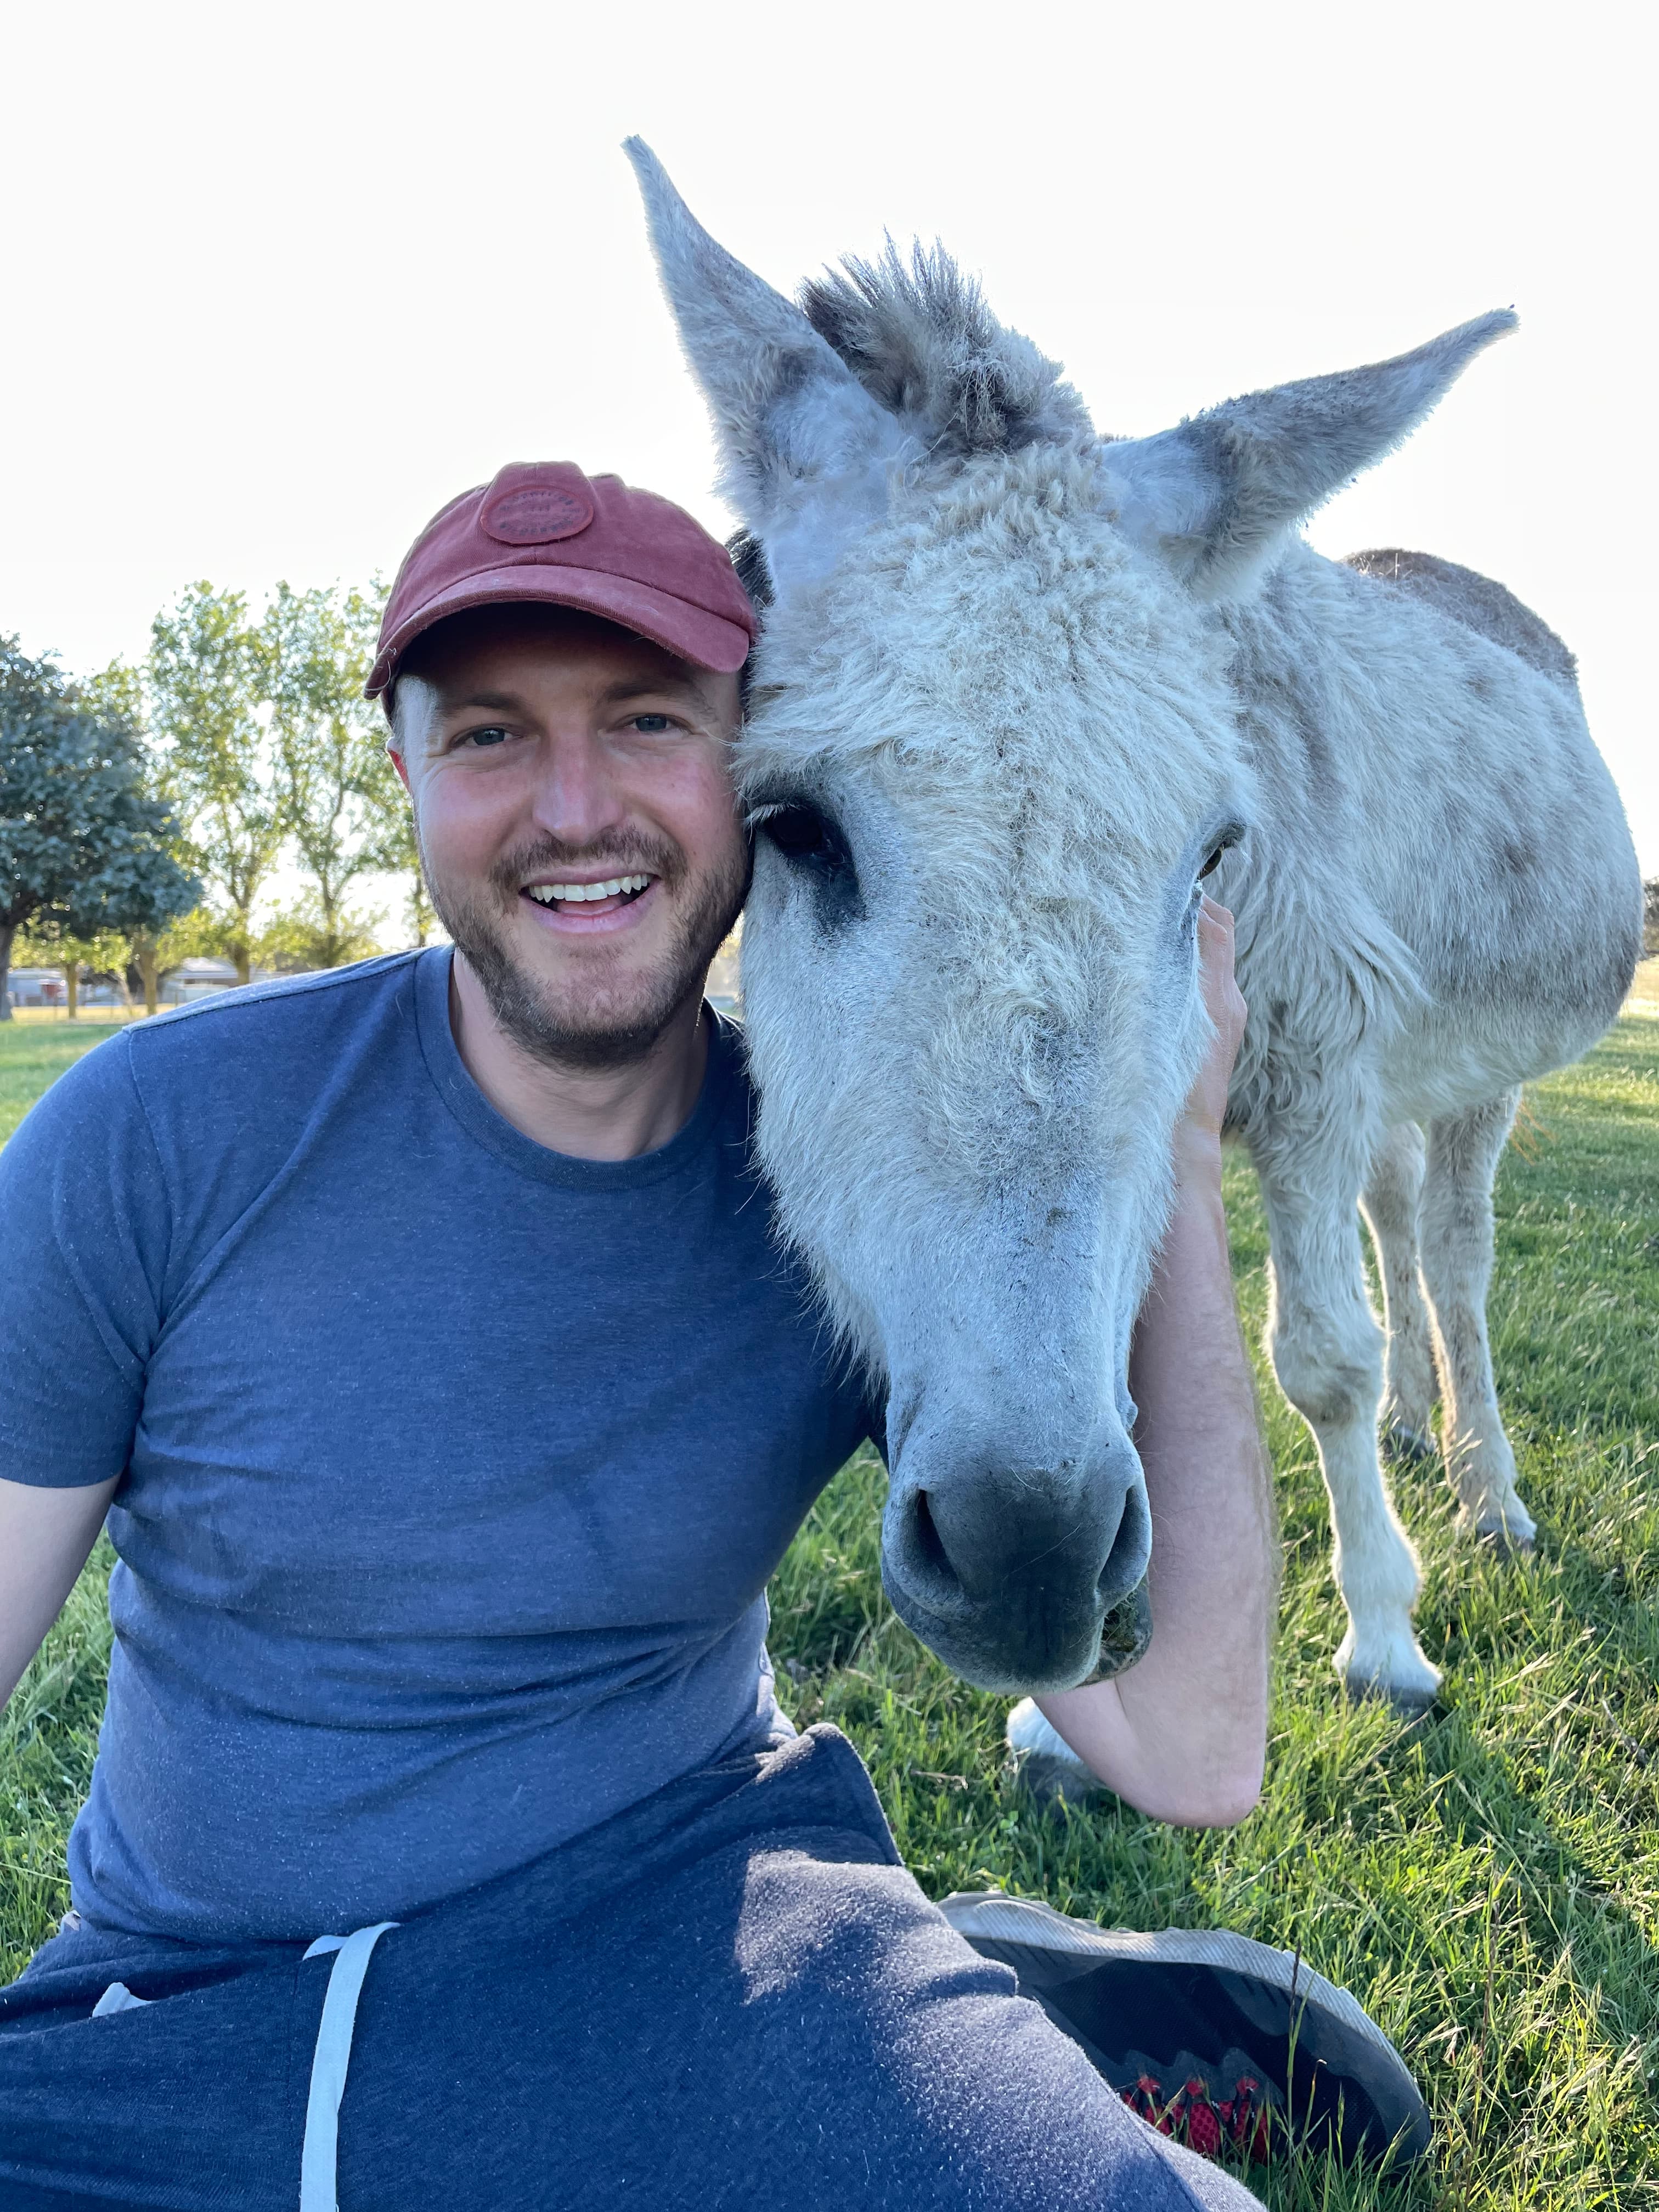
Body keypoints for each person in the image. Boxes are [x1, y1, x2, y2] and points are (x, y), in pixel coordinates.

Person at [0, 463, 1423, 2209]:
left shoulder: (843, 1188)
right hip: (189, 2028)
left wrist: (1186, 1158)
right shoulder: (158, 1132)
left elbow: (1191, 1748)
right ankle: (995, 1973)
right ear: (407, 774)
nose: (575, 807)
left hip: (713, 1946)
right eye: (493, 737)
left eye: (650, 721)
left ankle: (947, 1999)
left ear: (751, 768)